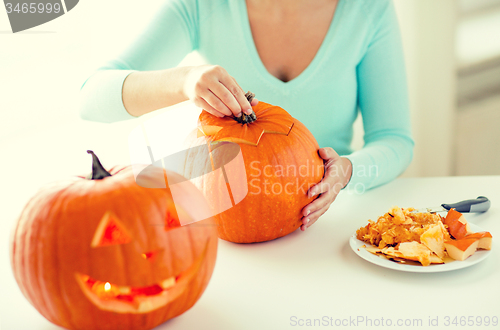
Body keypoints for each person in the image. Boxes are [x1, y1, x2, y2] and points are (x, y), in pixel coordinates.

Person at [80, 0, 414, 232]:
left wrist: (347, 172)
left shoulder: (369, 10)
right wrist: (183, 81)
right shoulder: (201, 7)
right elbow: (91, 97)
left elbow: (394, 140)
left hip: (328, 228)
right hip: (225, 228)